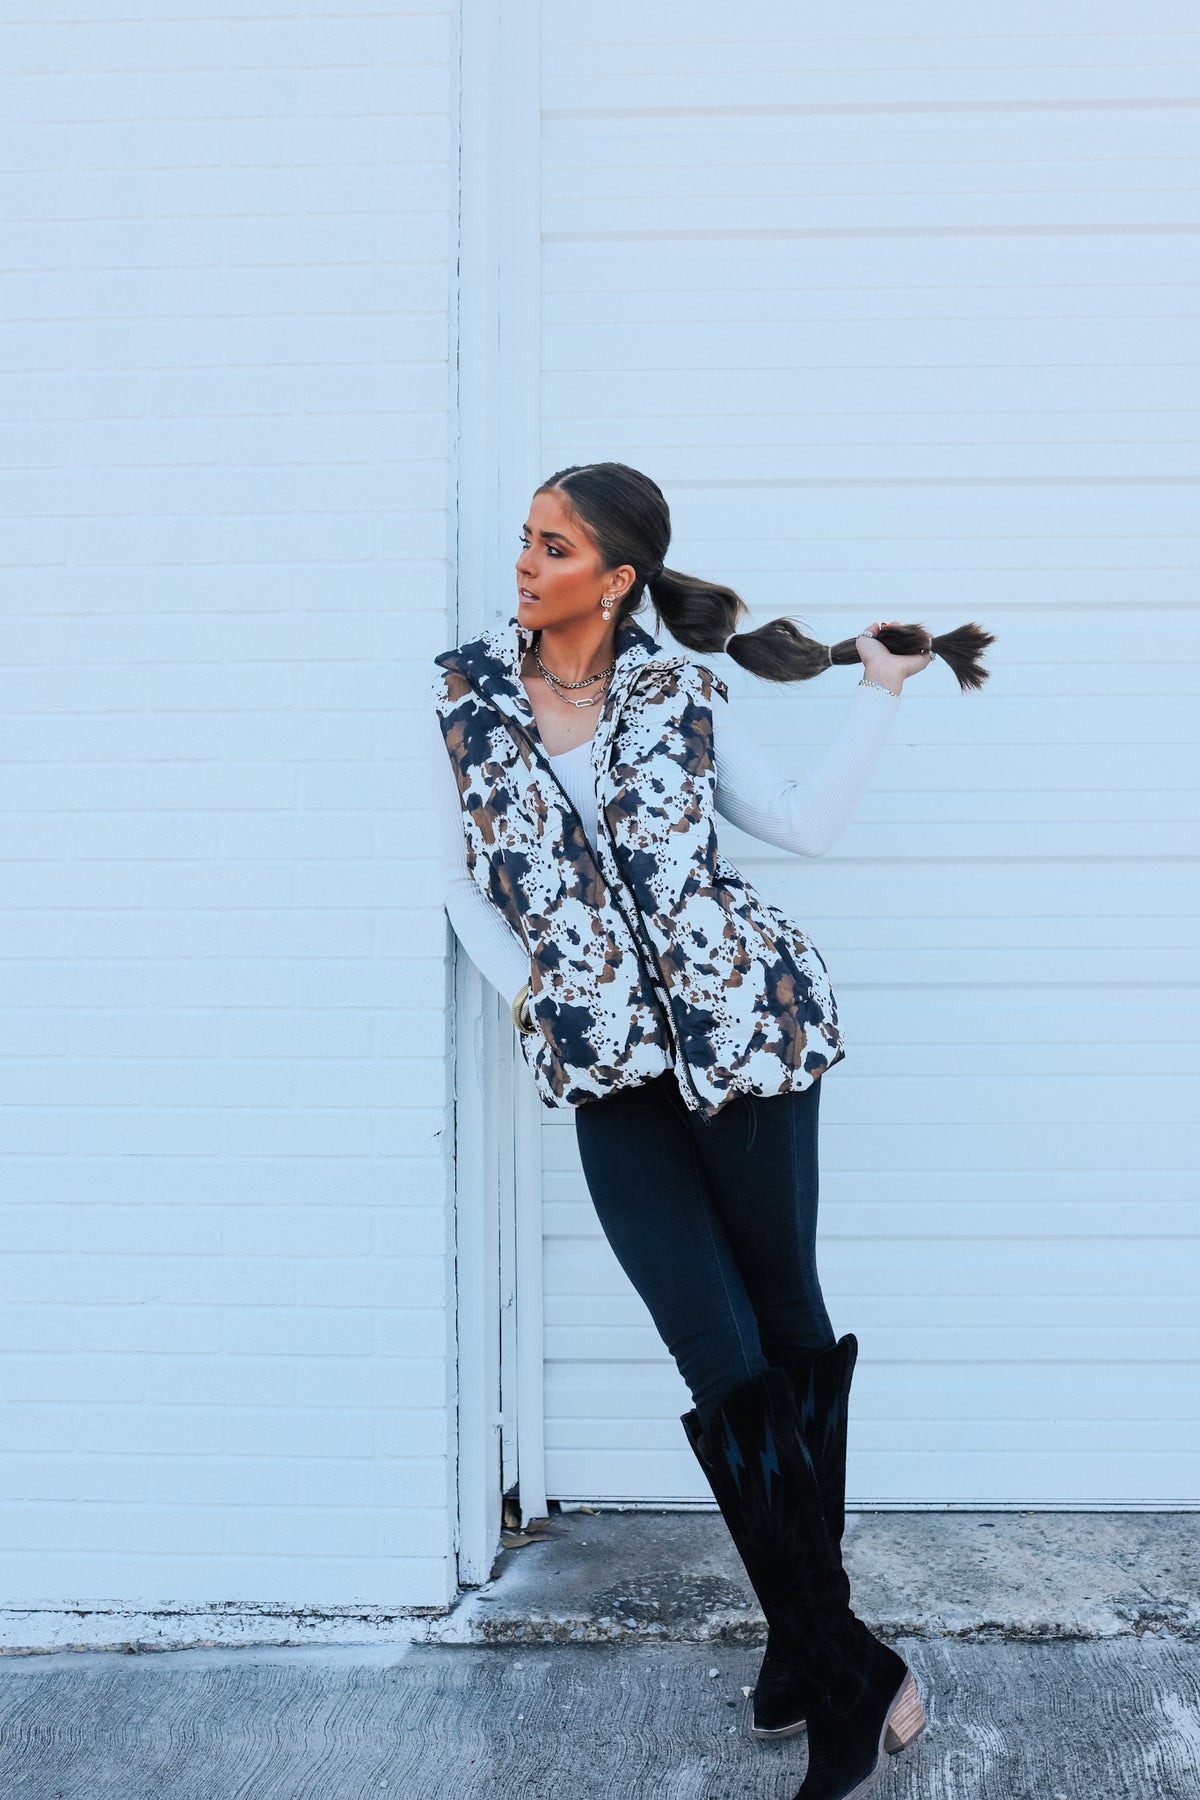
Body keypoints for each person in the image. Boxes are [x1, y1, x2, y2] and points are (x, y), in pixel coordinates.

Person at [432, 461, 938, 1800]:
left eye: (554, 546)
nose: (526, 564)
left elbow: (806, 828)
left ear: (618, 577)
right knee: (719, 1361)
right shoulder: (473, 704)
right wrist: (548, 998)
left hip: (750, 1043)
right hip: (615, 1075)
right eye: (526, 541)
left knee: (784, 1329)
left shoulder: (681, 692)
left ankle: (811, 1662)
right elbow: (465, 888)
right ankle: (847, 1660)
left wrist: (879, 700)